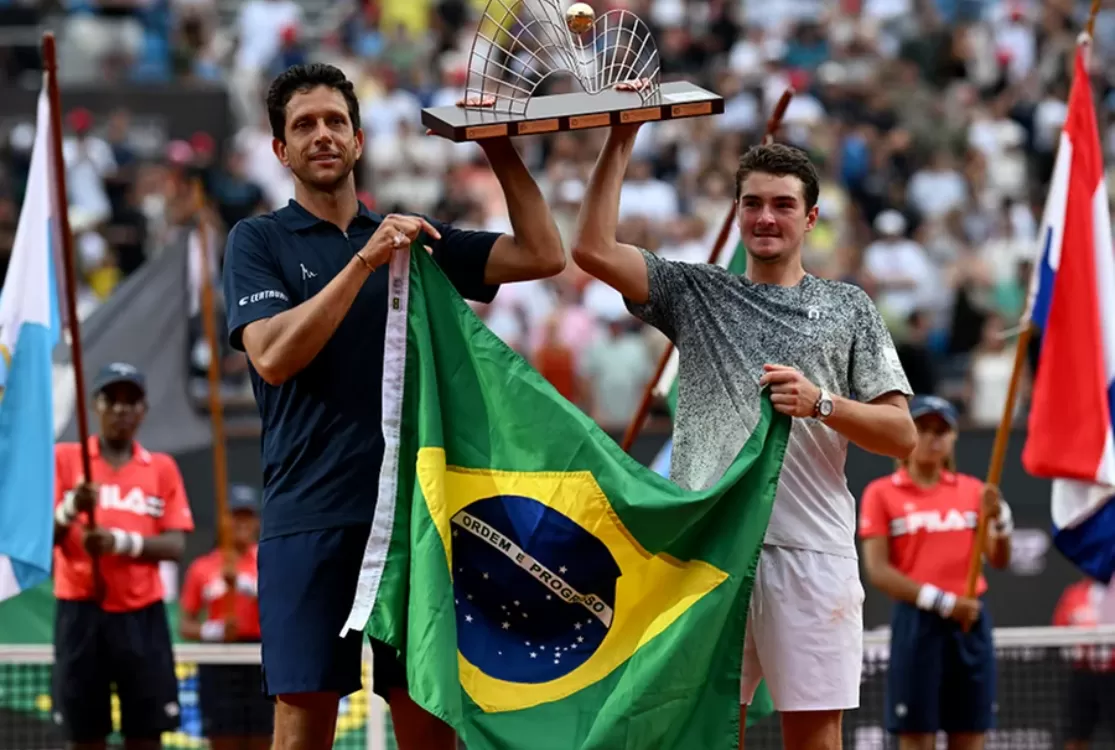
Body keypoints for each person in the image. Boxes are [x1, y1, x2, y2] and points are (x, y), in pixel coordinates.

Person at [220, 63, 565, 750]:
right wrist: (363, 263)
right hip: (309, 514)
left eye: (335, 122)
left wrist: (497, 149)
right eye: (304, 125)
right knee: (301, 725)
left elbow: (543, 253)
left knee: (429, 721)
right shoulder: (258, 241)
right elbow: (273, 356)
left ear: (358, 140)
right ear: (281, 151)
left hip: (416, 521)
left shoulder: (410, 240)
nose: (322, 134)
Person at [570, 129, 916, 750]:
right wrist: (621, 138)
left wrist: (822, 403)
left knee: (814, 735)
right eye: (753, 203)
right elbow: (592, 249)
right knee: (700, 734)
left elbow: (902, 435)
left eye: (783, 204)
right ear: (736, 212)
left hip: (809, 552)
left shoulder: (848, 307)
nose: (766, 217)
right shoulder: (697, 292)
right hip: (706, 553)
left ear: (811, 218)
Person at [51, 362, 195, 750]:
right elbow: (43, 538)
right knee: (84, 733)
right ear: (95, 406)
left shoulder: (161, 468)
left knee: (146, 732)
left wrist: (119, 542)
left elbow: (175, 545)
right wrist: (69, 508)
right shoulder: (67, 459)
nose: (120, 409)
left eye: (131, 401)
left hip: (141, 614)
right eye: (111, 400)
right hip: (81, 610)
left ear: (143, 410)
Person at [859, 395, 1012, 750]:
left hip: (969, 622)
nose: (932, 437)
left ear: (954, 437)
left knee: (970, 732)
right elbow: (878, 571)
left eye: (941, 430)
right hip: (919, 623)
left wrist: (1001, 520)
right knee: (916, 735)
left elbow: (999, 558)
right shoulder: (881, 493)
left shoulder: (973, 490)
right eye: (923, 428)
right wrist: (943, 602)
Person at [180, 484, 271, 750]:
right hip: (219, 657)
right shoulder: (202, 567)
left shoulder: (268, 561)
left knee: (262, 736)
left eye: (247, 516)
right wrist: (214, 631)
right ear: (223, 521)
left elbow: (280, 602)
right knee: (223, 736)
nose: (241, 523)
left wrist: (242, 584)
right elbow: (186, 624)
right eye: (235, 516)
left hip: (259, 657)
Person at [1052, 575, 1115, 750]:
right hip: (1084, 676)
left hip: (1113, 674)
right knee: (1075, 737)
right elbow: (1060, 626)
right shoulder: (1074, 593)